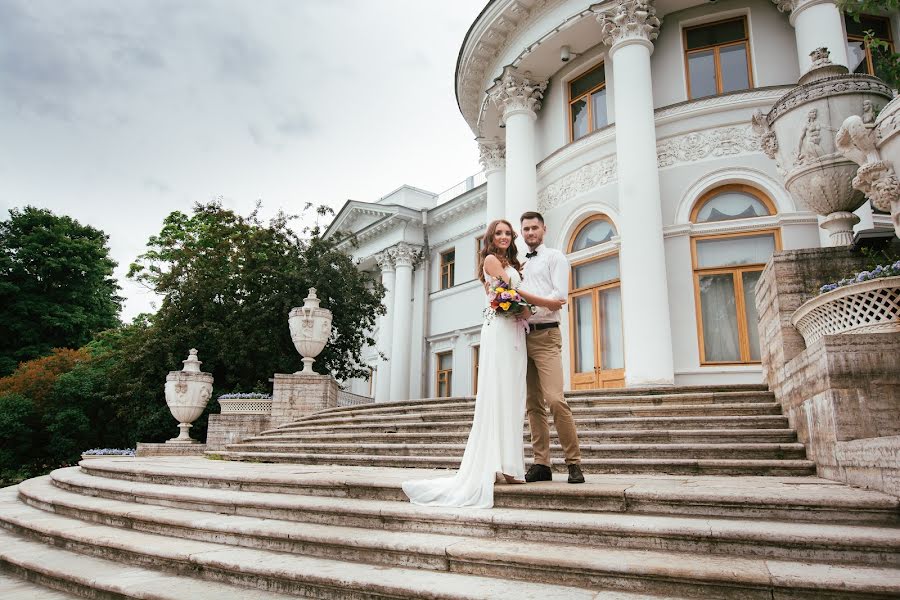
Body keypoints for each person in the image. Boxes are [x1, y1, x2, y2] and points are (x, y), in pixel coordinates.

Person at [401, 219, 564, 508]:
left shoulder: (512, 261)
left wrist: (528, 310)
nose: (503, 237)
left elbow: (514, 295)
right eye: (497, 233)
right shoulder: (491, 260)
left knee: (514, 397)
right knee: (498, 393)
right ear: (490, 238)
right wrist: (542, 304)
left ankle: (510, 467)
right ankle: (494, 465)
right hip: (500, 330)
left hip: (515, 329)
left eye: (506, 233)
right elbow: (512, 293)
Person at [518, 211, 585, 484]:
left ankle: (574, 463)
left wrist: (528, 306)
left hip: (547, 336)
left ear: (544, 229)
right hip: (521, 337)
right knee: (533, 404)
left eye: (534, 228)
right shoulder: (517, 263)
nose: (530, 233)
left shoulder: (555, 257)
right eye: (526, 229)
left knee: (555, 400)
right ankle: (541, 463)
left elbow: (559, 297)